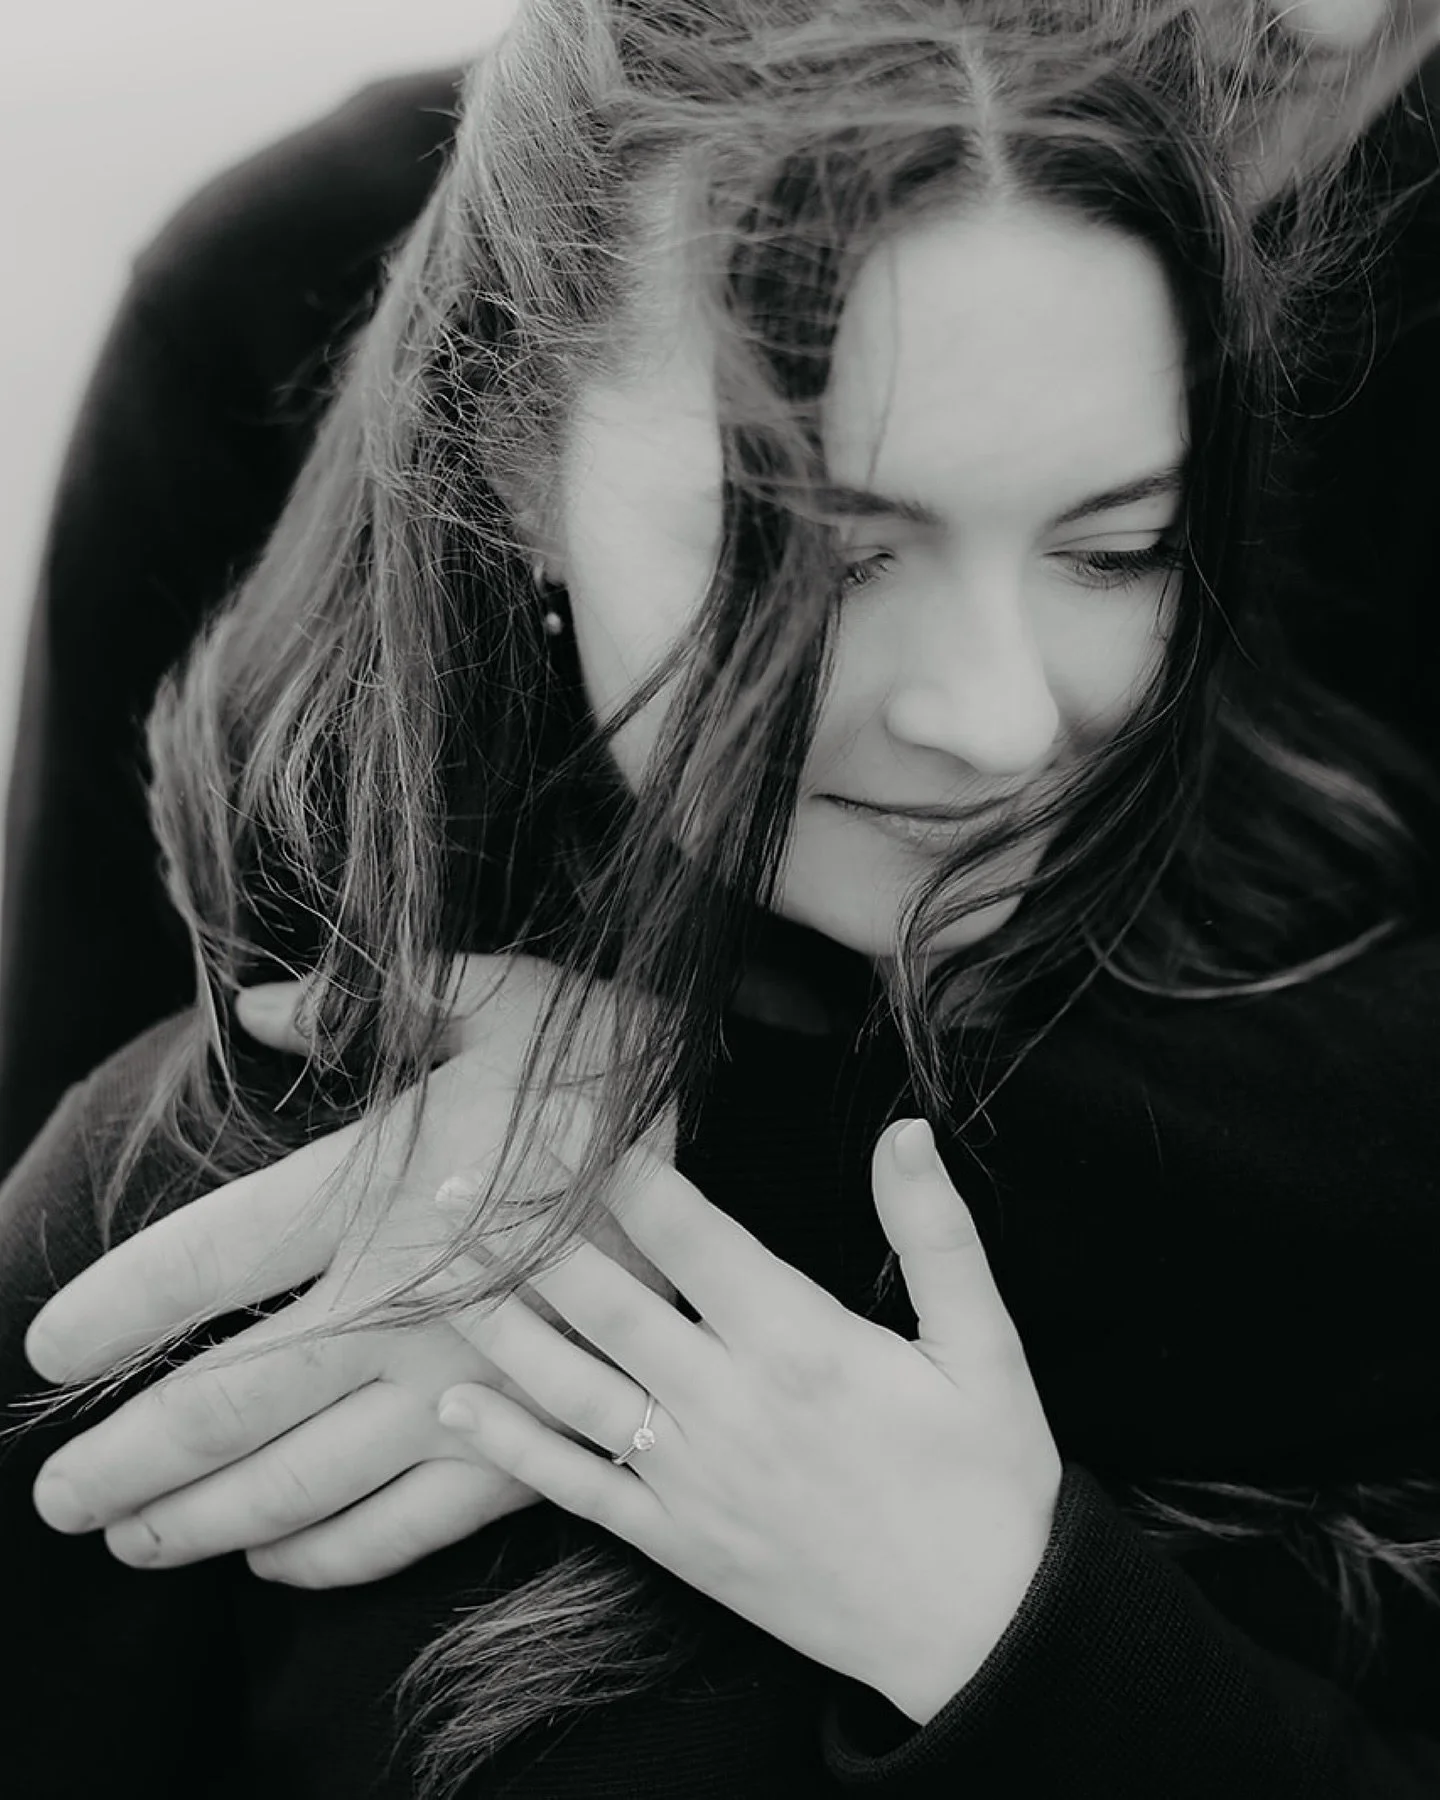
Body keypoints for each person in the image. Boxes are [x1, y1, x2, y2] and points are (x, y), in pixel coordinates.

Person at [4, 1, 1440, 1795]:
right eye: (833, 550)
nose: (996, 714)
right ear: (511, 457)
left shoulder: (1336, 1022)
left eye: (1114, 547)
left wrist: (1011, 1629)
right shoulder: (205, 1197)